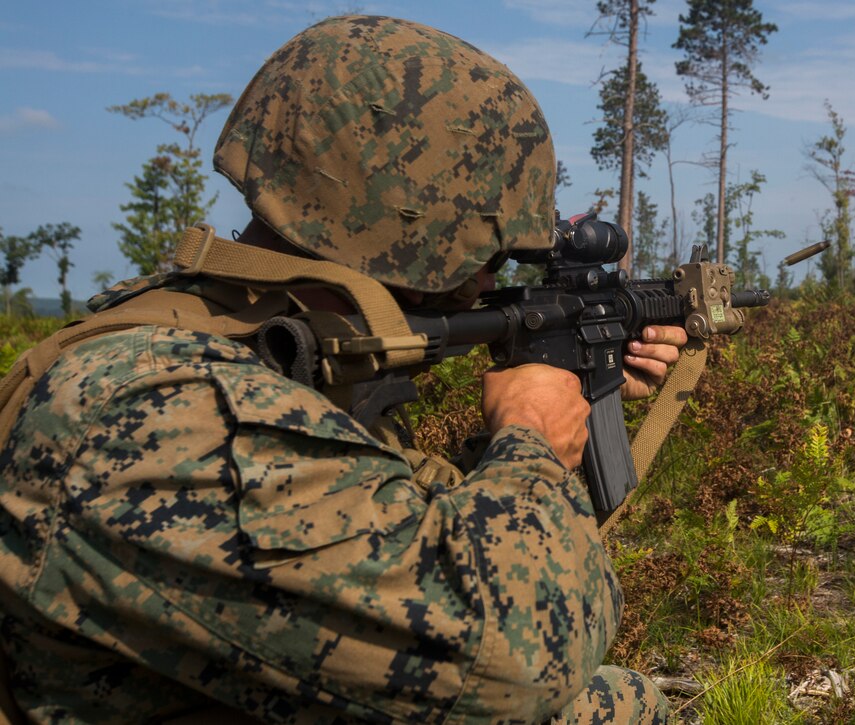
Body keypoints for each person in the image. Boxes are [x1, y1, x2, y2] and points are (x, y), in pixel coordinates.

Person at [0, 15, 688, 724]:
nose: (489, 283)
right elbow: (511, 664)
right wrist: (533, 439)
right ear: (413, 227)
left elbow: (379, 525)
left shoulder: (213, 344)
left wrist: (569, 400)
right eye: (488, 255)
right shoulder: (165, 413)